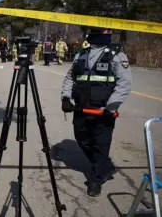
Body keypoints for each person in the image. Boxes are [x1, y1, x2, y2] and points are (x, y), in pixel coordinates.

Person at [60, 27, 132, 197]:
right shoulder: (81, 54)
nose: (106, 34)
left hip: (103, 111)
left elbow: (124, 84)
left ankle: (96, 179)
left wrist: (111, 107)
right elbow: (70, 77)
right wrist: (65, 97)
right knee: (82, 139)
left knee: (100, 144)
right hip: (81, 108)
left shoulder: (116, 56)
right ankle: (105, 166)